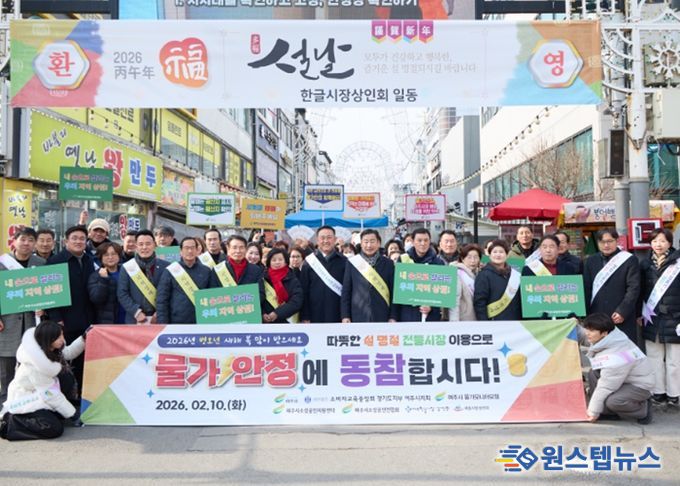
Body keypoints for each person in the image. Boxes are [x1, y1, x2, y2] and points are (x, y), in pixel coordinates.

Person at [0, 321, 84, 441]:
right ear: (48, 339)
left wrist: (83, 339)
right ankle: (12, 422)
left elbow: (68, 352)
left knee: (65, 379)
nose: (62, 339)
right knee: (54, 428)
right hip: (26, 398)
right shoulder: (36, 364)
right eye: (58, 337)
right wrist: (73, 415)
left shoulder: (48, 348)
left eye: (62, 335)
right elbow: (50, 394)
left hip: (41, 393)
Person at [580, 313, 654, 424]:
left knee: (614, 402)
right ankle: (607, 412)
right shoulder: (611, 336)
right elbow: (582, 336)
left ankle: (643, 409)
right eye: (587, 329)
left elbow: (605, 387)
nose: (587, 333)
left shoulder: (617, 355)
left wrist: (593, 412)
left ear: (604, 333)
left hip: (640, 385)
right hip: (623, 380)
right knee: (593, 373)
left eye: (592, 330)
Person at [0, 228, 46, 406]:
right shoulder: (3, 263)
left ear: (35, 244)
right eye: (23, 239)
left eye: (31, 240)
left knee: (32, 364)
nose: (27, 243)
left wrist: (45, 307)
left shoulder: (41, 263)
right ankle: (5, 403)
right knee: (6, 365)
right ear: (14, 241)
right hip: (7, 322)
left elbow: (48, 290)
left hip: (32, 322)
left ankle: (28, 403)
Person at [47, 225, 95, 390]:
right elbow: (50, 293)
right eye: (74, 238)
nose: (78, 241)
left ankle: (81, 394)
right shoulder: (55, 261)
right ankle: (66, 395)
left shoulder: (90, 260)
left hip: (87, 319)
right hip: (65, 321)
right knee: (64, 362)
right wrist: (56, 318)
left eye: (82, 238)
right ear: (65, 241)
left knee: (84, 361)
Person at [638, 228, 680, 406]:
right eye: (655, 241)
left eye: (662, 241)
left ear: (670, 243)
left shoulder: (678, 263)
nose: (658, 245)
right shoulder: (644, 264)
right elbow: (640, 291)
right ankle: (658, 391)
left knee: (674, 360)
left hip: (675, 317)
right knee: (654, 358)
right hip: (652, 317)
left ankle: (674, 393)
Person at [583, 229, 640, 344]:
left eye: (609, 241)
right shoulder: (590, 261)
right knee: (599, 350)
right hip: (597, 316)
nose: (606, 245)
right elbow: (586, 288)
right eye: (602, 242)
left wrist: (623, 311)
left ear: (617, 241)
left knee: (623, 350)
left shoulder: (629, 260)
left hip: (621, 316)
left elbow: (633, 288)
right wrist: (587, 315)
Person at [341, 229, 396, 323]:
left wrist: (393, 316)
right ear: (361, 244)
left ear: (378, 243)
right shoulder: (352, 263)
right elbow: (346, 291)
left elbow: (393, 292)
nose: (369, 245)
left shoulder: (388, 264)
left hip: (382, 315)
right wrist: (345, 315)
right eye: (366, 242)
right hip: (358, 315)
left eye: (372, 241)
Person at [118, 229, 170, 324]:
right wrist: (136, 312)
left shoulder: (166, 266)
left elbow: (169, 292)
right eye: (141, 244)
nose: (144, 247)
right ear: (136, 246)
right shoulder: (127, 267)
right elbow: (122, 293)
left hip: (159, 318)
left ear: (154, 245)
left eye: (148, 244)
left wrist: (159, 313)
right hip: (134, 319)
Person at [156, 237, 212, 324]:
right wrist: (163, 323)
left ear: (197, 250)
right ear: (180, 251)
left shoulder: (206, 271)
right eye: (186, 248)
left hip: (200, 321)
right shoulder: (171, 270)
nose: (190, 251)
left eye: (192, 248)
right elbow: (162, 299)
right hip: (176, 322)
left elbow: (211, 297)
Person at [396, 228, 445, 322]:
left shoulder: (438, 263)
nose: (423, 243)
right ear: (413, 242)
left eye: (426, 240)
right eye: (419, 240)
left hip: (431, 318)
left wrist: (432, 306)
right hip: (407, 314)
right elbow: (397, 289)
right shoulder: (403, 260)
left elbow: (442, 293)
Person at [300, 226, 348, 323]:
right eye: (322, 238)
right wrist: (305, 316)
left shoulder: (344, 261)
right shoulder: (309, 262)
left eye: (329, 237)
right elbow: (304, 291)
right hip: (314, 315)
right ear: (317, 240)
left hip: (338, 315)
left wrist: (346, 315)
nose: (326, 241)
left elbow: (347, 291)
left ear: (335, 239)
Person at [474, 239, 522, 321]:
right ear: (490, 255)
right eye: (495, 252)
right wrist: (484, 323)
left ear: (507, 254)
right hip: (494, 322)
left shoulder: (514, 275)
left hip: (515, 322)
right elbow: (479, 302)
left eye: (501, 252)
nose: (498, 255)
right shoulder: (484, 275)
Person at [260, 248, 303, 323]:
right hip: (266, 323)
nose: (277, 262)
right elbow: (258, 299)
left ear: (285, 262)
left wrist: (277, 313)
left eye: (280, 259)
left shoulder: (292, 279)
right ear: (269, 262)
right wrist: (262, 314)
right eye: (274, 260)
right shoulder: (262, 278)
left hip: (287, 322)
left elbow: (296, 301)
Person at [87, 242, 125, 324]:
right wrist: (103, 279)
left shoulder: (126, 272)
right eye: (106, 255)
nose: (110, 257)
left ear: (119, 256)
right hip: (108, 322)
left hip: (128, 319)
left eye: (113, 254)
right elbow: (96, 299)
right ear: (101, 258)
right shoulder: (95, 276)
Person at [449, 244, 482, 322]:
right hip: (462, 320)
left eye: (476, 257)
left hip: (475, 318)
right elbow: (454, 301)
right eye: (469, 257)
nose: (473, 261)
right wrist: (454, 322)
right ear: (462, 259)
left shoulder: (479, 274)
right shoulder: (457, 274)